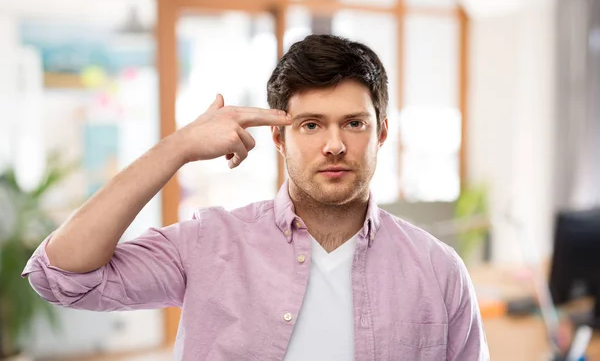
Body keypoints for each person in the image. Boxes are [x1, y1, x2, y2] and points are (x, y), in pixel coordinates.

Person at [22, 34, 489, 360]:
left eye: (354, 123)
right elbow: (61, 276)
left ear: (382, 133)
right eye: (310, 125)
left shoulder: (438, 270)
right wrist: (178, 147)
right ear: (279, 138)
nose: (334, 144)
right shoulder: (211, 243)